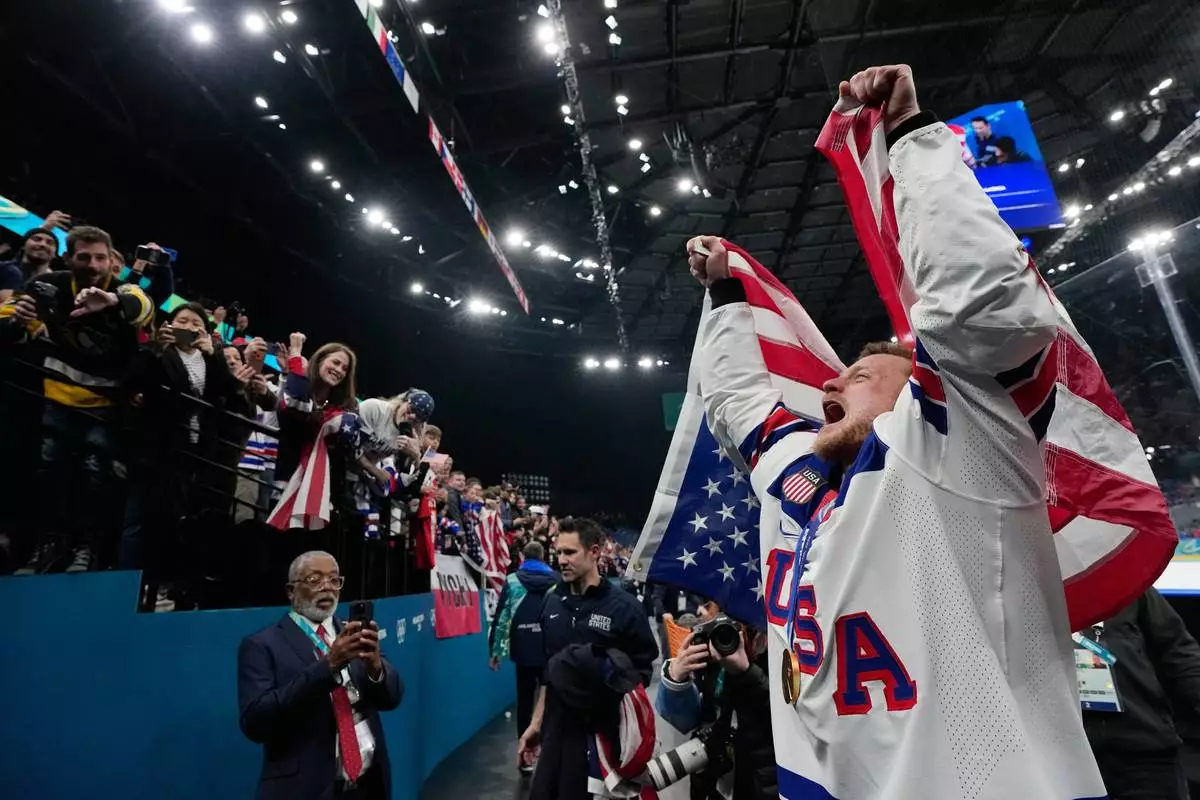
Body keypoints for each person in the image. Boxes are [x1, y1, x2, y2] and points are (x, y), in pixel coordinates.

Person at [685, 64, 1106, 798]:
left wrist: (911, 139)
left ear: (917, 390)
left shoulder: (963, 451)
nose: (826, 384)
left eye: (854, 376)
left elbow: (985, 307)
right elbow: (736, 404)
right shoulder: (798, 483)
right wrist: (725, 294)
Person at [3, 224, 153, 574]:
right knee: (48, 468)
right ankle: (48, 542)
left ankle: (87, 547)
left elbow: (145, 307)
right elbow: (11, 318)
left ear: (111, 259)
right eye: (84, 257)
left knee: (93, 475)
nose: (94, 265)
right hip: (56, 394)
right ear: (68, 258)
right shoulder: (49, 284)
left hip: (103, 404)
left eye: (101, 257)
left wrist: (114, 300)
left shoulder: (124, 288)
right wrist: (19, 320)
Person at [238, 550, 403, 800]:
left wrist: (375, 667)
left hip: (368, 785)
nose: (327, 587)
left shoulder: (351, 633)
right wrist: (327, 668)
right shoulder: (262, 645)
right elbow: (255, 723)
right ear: (291, 591)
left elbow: (391, 698)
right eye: (315, 580)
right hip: (307, 790)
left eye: (334, 580)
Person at [518, 517, 658, 799]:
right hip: (557, 732)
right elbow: (549, 674)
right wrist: (535, 724)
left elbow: (641, 676)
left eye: (570, 552)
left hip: (604, 737)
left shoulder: (625, 608)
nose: (561, 560)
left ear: (595, 552)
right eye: (558, 552)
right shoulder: (551, 601)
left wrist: (604, 676)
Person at [1083, 588, 1200, 800]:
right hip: (1065, 760)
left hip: (1144, 751)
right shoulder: (1018, 592)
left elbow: (1179, 653)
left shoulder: (1125, 580)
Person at [657, 608, 777, 799]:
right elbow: (688, 721)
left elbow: (790, 719)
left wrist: (745, 672)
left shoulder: (785, 636)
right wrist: (677, 679)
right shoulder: (718, 633)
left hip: (765, 775)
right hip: (717, 772)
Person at [489, 539, 560, 770]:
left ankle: (526, 756)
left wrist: (495, 651)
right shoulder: (557, 581)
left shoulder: (512, 581)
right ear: (542, 557)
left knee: (525, 702)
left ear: (523, 557)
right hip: (550, 649)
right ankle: (549, 753)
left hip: (523, 648)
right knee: (549, 700)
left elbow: (501, 618)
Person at [0, 225, 59, 302]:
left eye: (50, 243)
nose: (43, 244)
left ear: (54, 255)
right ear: (23, 246)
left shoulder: (55, 284)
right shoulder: (4, 268)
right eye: (37, 239)